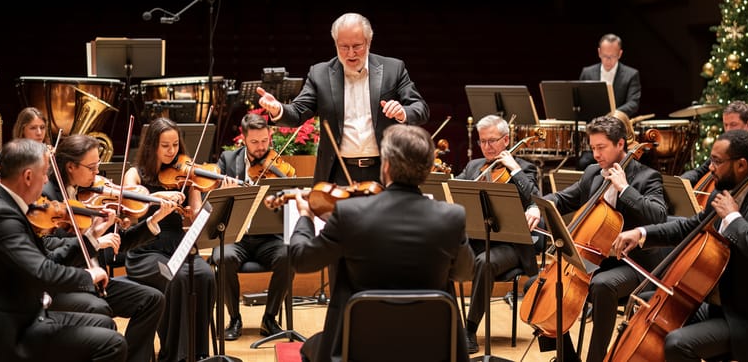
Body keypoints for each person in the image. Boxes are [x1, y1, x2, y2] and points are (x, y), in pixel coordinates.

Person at [289, 124, 473, 362]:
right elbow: (465, 272)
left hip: (360, 349)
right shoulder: (451, 217)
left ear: (385, 166)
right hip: (430, 348)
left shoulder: (350, 213)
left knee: (311, 347)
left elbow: (301, 259)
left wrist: (305, 216)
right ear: (428, 169)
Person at [612, 129, 748, 362]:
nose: (710, 168)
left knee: (678, 344)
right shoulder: (723, 192)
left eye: (717, 161)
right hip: (719, 306)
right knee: (647, 304)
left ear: (741, 165)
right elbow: (690, 227)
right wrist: (641, 233)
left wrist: (733, 218)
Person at [0, 138, 127, 362]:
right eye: (44, 174)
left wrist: (90, 236)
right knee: (113, 344)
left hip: (25, 316)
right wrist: (88, 275)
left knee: (104, 323)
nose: (46, 181)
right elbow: (43, 273)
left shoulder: (11, 207)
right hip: (10, 331)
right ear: (28, 176)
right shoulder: (0, 216)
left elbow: (48, 259)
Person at [525, 115, 666, 362]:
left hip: (633, 264)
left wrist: (625, 189)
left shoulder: (647, 177)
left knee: (602, 286)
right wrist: (538, 207)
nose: (596, 154)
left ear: (620, 144)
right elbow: (562, 198)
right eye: (592, 148)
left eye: (601, 147)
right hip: (595, 260)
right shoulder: (592, 172)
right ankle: (567, 357)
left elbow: (659, 215)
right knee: (535, 288)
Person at [257, 12, 429, 184]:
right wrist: (278, 109)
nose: (351, 54)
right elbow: (298, 112)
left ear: (368, 42)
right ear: (335, 44)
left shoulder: (393, 69)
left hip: (385, 170)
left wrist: (402, 112)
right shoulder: (320, 74)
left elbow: (420, 108)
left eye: (357, 46)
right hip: (337, 172)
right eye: (343, 47)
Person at [41, 134, 171, 362]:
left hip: (97, 281)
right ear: (70, 167)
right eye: (91, 167)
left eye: (98, 166)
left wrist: (153, 220)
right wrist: (94, 240)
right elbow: (48, 246)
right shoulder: (48, 197)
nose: (97, 173)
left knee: (153, 299)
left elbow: (118, 244)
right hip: (67, 284)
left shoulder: (91, 193)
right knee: (99, 309)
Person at [123, 117, 215, 362]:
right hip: (144, 250)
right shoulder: (135, 174)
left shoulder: (185, 173)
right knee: (177, 278)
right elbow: (132, 206)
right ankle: (175, 356)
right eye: (165, 145)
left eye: (175, 145)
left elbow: (196, 217)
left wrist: (205, 193)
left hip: (177, 246)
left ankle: (198, 353)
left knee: (205, 275)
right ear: (152, 145)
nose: (172, 151)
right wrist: (161, 196)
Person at [454, 114, 540, 354]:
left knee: (485, 262)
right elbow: (454, 192)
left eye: (492, 141)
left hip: (512, 246)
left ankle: (469, 330)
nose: (487, 147)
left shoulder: (525, 167)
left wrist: (514, 169)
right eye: (482, 142)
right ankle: (449, 322)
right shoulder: (473, 167)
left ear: (506, 140)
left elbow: (535, 199)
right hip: (478, 239)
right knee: (442, 253)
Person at [215, 113, 289, 340]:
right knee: (222, 257)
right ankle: (234, 318)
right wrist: (224, 191)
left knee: (291, 254)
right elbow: (213, 200)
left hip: (269, 239)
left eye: (265, 141)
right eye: (255, 142)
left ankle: (270, 318)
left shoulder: (279, 165)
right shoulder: (228, 160)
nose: (260, 147)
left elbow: (289, 205)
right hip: (238, 238)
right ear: (244, 140)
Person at [680, 100, 748, 190]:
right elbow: (699, 172)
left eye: (733, 125)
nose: (728, 130)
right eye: (725, 125)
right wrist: (681, 181)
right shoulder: (723, 150)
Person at [579, 33, 641, 117]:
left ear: (620, 54)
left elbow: (633, 103)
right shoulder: (587, 73)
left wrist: (612, 114)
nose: (608, 60)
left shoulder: (631, 75)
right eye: (605, 56)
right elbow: (581, 100)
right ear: (599, 52)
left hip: (618, 124)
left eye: (612, 56)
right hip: (592, 123)